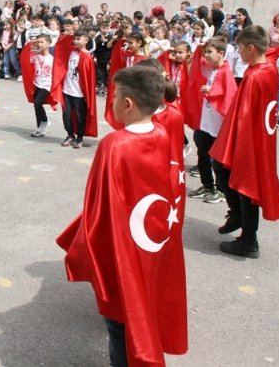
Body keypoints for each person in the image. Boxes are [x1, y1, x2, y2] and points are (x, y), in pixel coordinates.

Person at [56, 65, 187, 367]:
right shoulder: (162, 131)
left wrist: (83, 249)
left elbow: (99, 205)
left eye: (114, 96)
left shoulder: (115, 144)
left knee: (119, 322)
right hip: (150, 238)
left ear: (126, 104)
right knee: (143, 307)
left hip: (123, 245)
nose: (112, 102)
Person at [210, 25, 279, 258]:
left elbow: (243, 117)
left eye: (240, 48)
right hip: (260, 139)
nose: (238, 52)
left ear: (251, 48)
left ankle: (248, 238)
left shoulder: (255, 76)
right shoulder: (268, 67)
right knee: (224, 168)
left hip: (250, 140)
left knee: (246, 186)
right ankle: (239, 218)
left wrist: (234, 145)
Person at [185, 38, 237, 203]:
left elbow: (229, 96)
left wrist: (212, 90)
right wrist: (200, 50)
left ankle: (220, 190)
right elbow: (197, 66)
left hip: (218, 124)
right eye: (206, 52)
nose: (206, 55)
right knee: (202, 153)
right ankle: (207, 186)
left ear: (221, 53)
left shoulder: (225, 71)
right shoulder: (212, 68)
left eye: (210, 52)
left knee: (218, 161)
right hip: (206, 122)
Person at [54, 29, 98, 149]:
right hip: (67, 90)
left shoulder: (87, 57)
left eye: (79, 39)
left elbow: (89, 79)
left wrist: (87, 95)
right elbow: (61, 44)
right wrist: (70, 34)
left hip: (79, 93)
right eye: (75, 39)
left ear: (86, 40)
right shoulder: (71, 52)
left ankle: (79, 137)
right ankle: (70, 135)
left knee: (80, 116)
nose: (76, 41)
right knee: (66, 114)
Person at [21, 34, 60, 137]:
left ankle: (45, 121)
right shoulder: (35, 57)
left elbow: (56, 73)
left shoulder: (52, 59)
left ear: (48, 44)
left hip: (47, 85)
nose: (39, 44)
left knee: (38, 103)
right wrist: (30, 45)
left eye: (41, 42)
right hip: (37, 84)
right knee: (36, 105)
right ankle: (40, 128)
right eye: (38, 42)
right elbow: (25, 59)